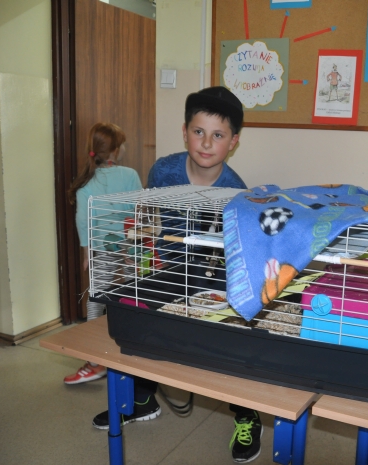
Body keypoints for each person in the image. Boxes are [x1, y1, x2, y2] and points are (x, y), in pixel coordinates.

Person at [93, 87, 263, 464]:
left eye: (218, 135)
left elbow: (233, 251)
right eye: (198, 132)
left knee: (229, 342)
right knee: (143, 325)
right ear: (184, 132)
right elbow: (151, 219)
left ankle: (247, 412)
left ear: (233, 142)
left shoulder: (236, 190)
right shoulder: (162, 170)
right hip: (167, 269)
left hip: (213, 276)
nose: (207, 143)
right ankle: (141, 400)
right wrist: (145, 250)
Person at [64, 123, 143, 385]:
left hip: (102, 247)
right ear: (116, 150)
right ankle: (136, 347)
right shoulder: (130, 175)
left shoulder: (86, 183)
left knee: (96, 297)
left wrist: (87, 252)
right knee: (134, 293)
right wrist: (137, 247)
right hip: (129, 246)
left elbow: (83, 220)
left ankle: (94, 359)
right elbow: (139, 211)